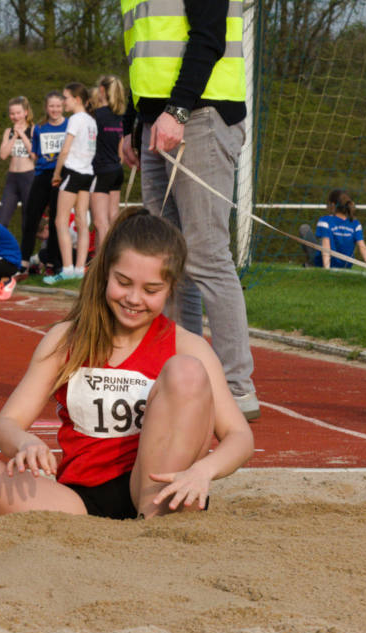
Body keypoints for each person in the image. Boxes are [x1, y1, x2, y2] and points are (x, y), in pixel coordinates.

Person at [0, 208, 254, 520]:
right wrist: (24, 442)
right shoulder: (66, 339)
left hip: (160, 496)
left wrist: (203, 471)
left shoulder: (188, 346)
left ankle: (154, 534)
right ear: (106, 271)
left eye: (151, 289)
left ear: (170, 288)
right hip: (77, 502)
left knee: (187, 370)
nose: (134, 299)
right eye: (123, 282)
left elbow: (239, 435)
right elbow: (6, 423)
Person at [120, 0, 260, 420]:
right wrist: (135, 121)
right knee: (165, 260)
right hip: (157, 121)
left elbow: (208, 38)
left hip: (199, 115)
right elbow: (143, 63)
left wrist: (176, 110)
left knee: (205, 254)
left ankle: (237, 389)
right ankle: (182, 376)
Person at [45, 83, 98, 284]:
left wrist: (57, 173)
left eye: (65, 98)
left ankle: (67, 269)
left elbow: (65, 150)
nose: (63, 101)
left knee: (60, 220)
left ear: (76, 99)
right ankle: (79, 269)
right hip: (87, 173)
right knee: (82, 221)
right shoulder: (91, 121)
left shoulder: (75, 119)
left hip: (74, 172)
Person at [20, 91, 68, 275]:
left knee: (58, 219)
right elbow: (36, 154)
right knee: (31, 216)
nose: (55, 110)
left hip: (62, 176)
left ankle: (52, 262)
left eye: (58, 106)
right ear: (46, 108)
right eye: (51, 106)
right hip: (42, 175)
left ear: (63, 106)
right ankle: (24, 261)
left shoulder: (70, 125)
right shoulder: (40, 127)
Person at [90, 75, 127, 247]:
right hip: (116, 171)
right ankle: (114, 259)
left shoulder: (95, 116)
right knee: (113, 220)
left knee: (100, 223)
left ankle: (103, 265)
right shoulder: (122, 116)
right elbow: (121, 148)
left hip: (100, 171)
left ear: (102, 90)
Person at [298, 190, 366, 269]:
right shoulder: (355, 223)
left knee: (305, 228)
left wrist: (326, 269)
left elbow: (326, 246)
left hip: (323, 263)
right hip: (346, 265)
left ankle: (312, 264)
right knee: (325, 238)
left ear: (332, 205)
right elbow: (363, 247)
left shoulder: (325, 221)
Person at [0, 96, 36, 230]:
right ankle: (0, 250)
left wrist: (22, 135)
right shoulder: (8, 132)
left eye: (18, 113)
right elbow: (3, 155)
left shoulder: (33, 129)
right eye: (12, 113)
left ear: (25, 112)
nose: (15, 116)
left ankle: (25, 251)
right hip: (12, 178)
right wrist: (14, 136)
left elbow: (34, 154)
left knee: (27, 220)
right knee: (2, 218)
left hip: (28, 177)